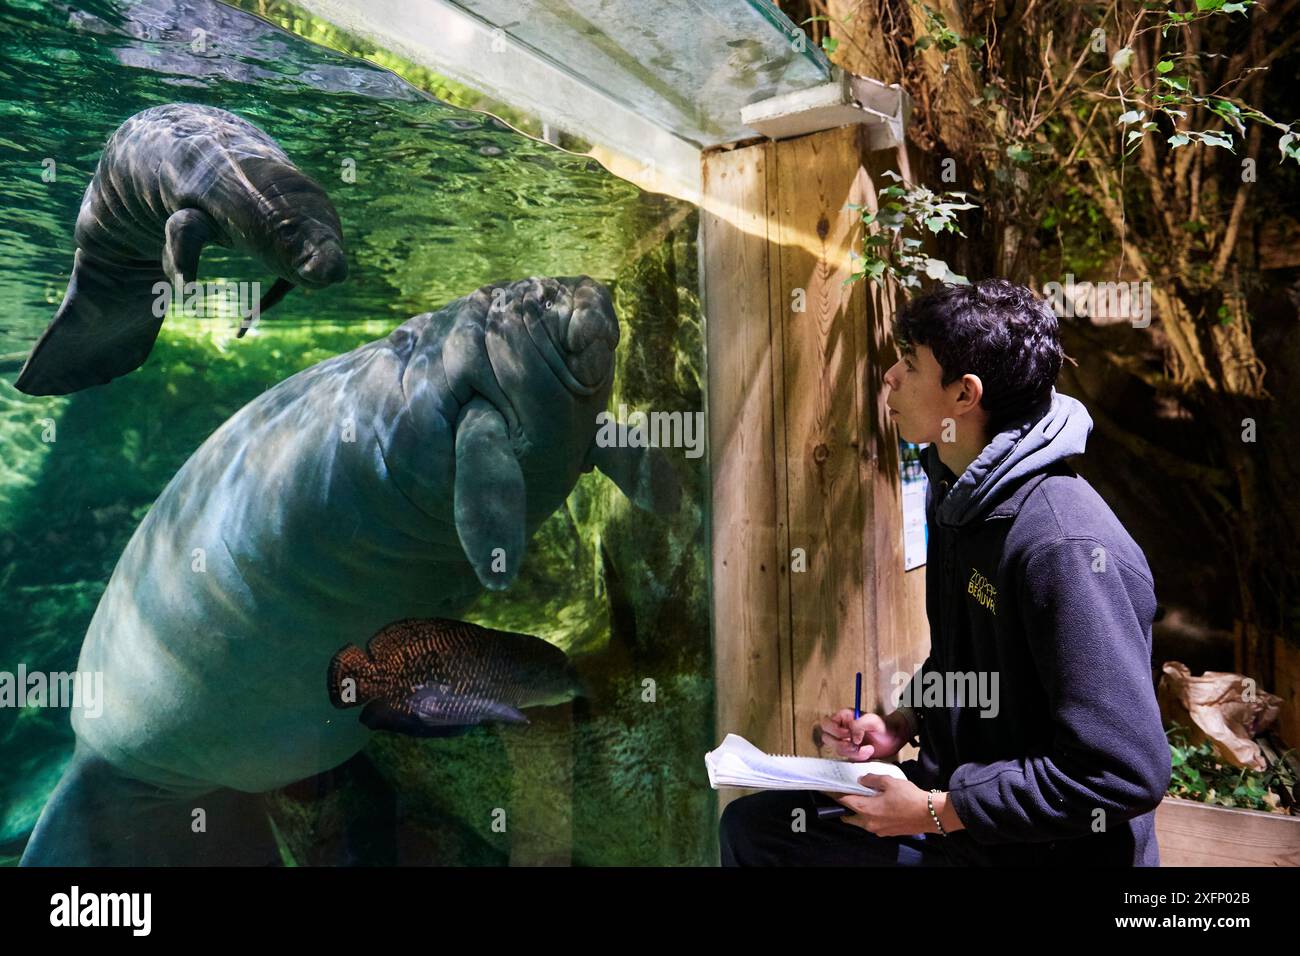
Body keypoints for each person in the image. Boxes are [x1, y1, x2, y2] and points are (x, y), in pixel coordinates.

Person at [719, 278, 1171, 866]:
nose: (890, 376)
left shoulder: (1064, 547)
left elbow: (1123, 771)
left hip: (1042, 850)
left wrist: (932, 811)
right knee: (759, 829)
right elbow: (968, 660)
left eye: (910, 363)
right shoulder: (960, 493)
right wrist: (901, 724)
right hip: (960, 818)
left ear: (965, 395)